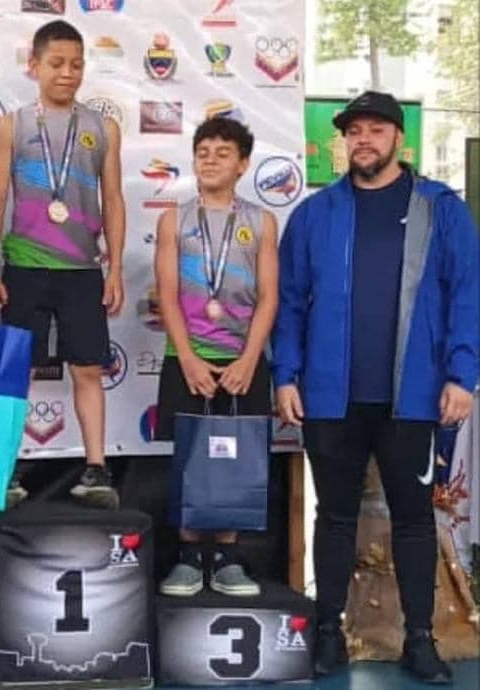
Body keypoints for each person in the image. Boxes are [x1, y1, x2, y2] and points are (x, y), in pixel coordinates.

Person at [273, 91, 479, 684]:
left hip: (413, 398)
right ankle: (329, 636)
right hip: (329, 397)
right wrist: (286, 374)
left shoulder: (441, 209)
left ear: (399, 138)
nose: (364, 140)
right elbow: (290, 302)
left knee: (414, 519)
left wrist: (461, 375)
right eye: (354, 131)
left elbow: (467, 293)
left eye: (376, 130)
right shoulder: (314, 215)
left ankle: (420, 641)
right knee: (334, 517)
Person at [0, 20, 125, 508]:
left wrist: (116, 268)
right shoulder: (12, 125)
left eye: (76, 64)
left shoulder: (103, 127)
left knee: (87, 368)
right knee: (13, 369)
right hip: (24, 266)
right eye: (57, 63)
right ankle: (3, 468)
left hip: (82, 270)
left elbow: (113, 199)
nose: (67, 73)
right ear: (34, 66)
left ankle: (96, 469)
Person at [154, 117, 278, 598]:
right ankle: (188, 557)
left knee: (236, 459)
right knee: (190, 458)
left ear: (243, 165)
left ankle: (226, 558)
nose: (210, 160)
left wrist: (249, 360)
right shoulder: (174, 220)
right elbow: (166, 294)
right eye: (202, 152)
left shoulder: (261, 221)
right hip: (188, 358)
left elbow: (268, 297)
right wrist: (186, 357)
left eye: (222, 153)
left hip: (241, 360)